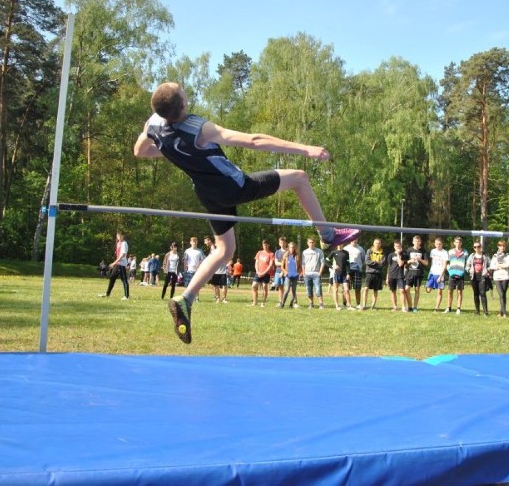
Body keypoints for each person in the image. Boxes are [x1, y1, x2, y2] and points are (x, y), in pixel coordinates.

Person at [136, 82, 360, 342]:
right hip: (233, 187)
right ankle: (327, 234)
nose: (183, 88)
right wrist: (305, 149)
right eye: (182, 89)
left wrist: (181, 152)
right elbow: (254, 141)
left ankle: (186, 299)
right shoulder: (200, 130)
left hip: (208, 194)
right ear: (183, 105)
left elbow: (140, 150)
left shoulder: (153, 124)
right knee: (299, 177)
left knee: (224, 250)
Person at [100, 231, 130, 300]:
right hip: (118, 264)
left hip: (121, 264)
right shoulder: (118, 243)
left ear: (123, 236)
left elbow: (122, 255)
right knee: (112, 278)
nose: (119, 237)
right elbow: (118, 253)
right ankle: (107, 294)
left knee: (124, 280)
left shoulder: (124, 243)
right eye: (117, 236)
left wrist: (114, 263)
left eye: (120, 235)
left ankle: (126, 296)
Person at [404, 235, 428, 312]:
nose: (417, 243)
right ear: (413, 242)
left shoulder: (424, 251)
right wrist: (410, 261)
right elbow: (405, 263)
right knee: (406, 289)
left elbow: (426, 263)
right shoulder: (408, 250)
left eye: (418, 241)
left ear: (420, 242)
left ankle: (415, 307)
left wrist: (420, 259)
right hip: (409, 273)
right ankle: (410, 306)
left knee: (417, 290)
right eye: (415, 241)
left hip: (418, 273)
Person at [465, 240, 490, 315]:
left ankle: (485, 312)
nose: (477, 248)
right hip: (474, 277)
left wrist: (487, 271)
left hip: (482, 277)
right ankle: (477, 311)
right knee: (475, 294)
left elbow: (490, 264)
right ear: (474, 248)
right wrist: (470, 270)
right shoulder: (472, 256)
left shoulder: (485, 256)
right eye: (475, 247)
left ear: (481, 247)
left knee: (483, 293)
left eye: (478, 246)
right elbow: (467, 266)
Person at [444, 237, 468, 314]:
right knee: (450, 291)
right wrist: (449, 271)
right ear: (454, 243)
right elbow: (447, 262)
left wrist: (463, 271)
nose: (458, 244)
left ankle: (458, 308)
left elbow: (467, 263)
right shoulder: (450, 252)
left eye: (459, 242)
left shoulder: (465, 252)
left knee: (460, 292)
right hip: (452, 274)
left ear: (461, 243)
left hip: (460, 274)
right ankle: (448, 307)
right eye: (456, 242)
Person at [363, 238, 387, 310]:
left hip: (378, 273)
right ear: (373, 243)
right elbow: (367, 261)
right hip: (369, 273)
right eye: (376, 243)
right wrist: (376, 262)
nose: (377, 244)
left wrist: (374, 263)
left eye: (379, 243)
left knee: (375, 290)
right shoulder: (369, 251)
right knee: (366, 288)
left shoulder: (383, 252)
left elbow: (382, 264)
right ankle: (364, 305)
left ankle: (373, 306)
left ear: (380, 244)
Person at [489, 240, 509, 318]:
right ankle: (504, 313)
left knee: (503, 295)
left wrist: (498, 265)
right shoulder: (494, 256)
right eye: (500, 246)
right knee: (501, 294)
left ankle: (502, 312)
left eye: (503, 246)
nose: (502, 247)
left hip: (505, 277)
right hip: (497, 277)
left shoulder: (508, 255)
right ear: (498, 246)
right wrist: (499, 266)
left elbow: (507, 265)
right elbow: (491, 266)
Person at [301, 237, 325, 309]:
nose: (311, 244)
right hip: (307, 274)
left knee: (318, 289)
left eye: (312, 242)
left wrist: (320, 272)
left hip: (316, 273)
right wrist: (304, 272)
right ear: (307, 243)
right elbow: (303, 263)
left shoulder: (319, 251)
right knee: (308, 289)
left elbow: (323, 263)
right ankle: (311, 304)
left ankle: (321, 304)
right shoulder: (304, 252)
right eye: (310, 242)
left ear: (315, 243)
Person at [250, 239, 275, 306]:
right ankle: (255, 302)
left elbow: (270, 265)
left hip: (266, 273)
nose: (265, 246)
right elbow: (256, 263)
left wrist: (264, 273)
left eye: (266, 245)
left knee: (265, 287)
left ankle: (263, 303)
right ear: (262, 245)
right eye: (264, 245)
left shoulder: (271, 254)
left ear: (268, 245)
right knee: (253, 286)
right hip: (258, 273)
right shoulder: (259, 253)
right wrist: (258, 272)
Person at [427, 237, 449, 312]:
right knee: (428, 290)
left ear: (442, 244)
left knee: (439, 291)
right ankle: (433, 286)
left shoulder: (445, 252)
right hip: (432, 273)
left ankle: (437, 308)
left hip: (440, 273)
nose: (438, 245)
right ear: (435, 244)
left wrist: (440, 276)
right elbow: (432, 262)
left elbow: (444, 265)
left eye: (440, 244)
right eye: (437, 244)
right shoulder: (432, 251)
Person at [386, 239, 408, 311]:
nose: (397, 247)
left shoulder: (404, 255)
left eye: (399, 246)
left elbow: (401, 264)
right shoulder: (390, 255)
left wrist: (398, 254)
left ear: (401, 246)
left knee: (402, 290)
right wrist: (387, 277)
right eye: (396, 246)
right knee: (393, 291)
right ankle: (394, 307)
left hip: (400, 275)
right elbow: (389, 266)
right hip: (392, 275)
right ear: (394, 246)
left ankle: (403, 307)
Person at [329, 242, 351, 310]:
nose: (339, 245)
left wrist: (348, 273)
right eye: (338, 244)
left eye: (341, 244)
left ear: (343, 244)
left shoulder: (346, 252)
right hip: (337, 274)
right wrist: (332, 266)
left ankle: (349, 306)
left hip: (344, 274)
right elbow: (326, 261)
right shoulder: (333, 252)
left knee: (346, 290)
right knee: (335, 290)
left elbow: (348, 264)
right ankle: (337, 306)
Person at [279, 241, 301, 308]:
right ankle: (282, 303)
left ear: (295, 248)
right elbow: (282, 267)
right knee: (287, 289)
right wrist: (285, 272)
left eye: (293, 247)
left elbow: (300, 266)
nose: (292, 249)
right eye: (291, 247)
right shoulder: (285, 256)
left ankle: (292, 304)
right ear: (288, 248)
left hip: (295, 276)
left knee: (294, 290)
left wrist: (298, 273)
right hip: (288, 276)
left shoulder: (297, 256)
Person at [345, 238, 366, 309]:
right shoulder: (346, 248)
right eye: (353, 239)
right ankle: (345, 303)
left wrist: (360, 267)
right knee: (346, 288)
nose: (354, 240)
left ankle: (358, 304)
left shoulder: (361, 249)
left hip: (357, 270)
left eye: (356, 239)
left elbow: (363, 259)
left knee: (357, 288)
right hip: (348, 270)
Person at [273, 237, 288, 304]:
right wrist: (283, 263)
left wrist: (283, 271)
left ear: (286, 243)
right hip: (278, 272)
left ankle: (293, 302)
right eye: (281, 242)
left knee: (288, 288)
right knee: (280, 287)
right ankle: (280, 301)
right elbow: (276, 263)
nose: (282, 244)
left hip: (287, 272)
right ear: (279, 243)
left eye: (284, 242)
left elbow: (289, 263)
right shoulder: (277, 252)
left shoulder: (288, 252)